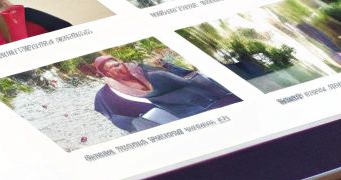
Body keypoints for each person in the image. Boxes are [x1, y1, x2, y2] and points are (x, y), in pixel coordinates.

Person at [81, 52, 236, 131]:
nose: (118, 68)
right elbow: (115, 116)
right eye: (112, 68)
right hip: (172, 110)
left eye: (118, 64)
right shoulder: (108, 93)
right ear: (107, 74)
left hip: (194, 97)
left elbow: (181, 74)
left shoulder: (145, 70)